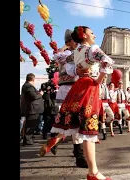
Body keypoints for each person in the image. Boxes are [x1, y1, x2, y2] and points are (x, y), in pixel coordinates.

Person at [39, 26, 113, 180]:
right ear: (84, 35)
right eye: (92, 32)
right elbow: (107, 61)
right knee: (88, 129)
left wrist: (78, 71)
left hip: (77, 86)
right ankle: (93, 172)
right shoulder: (92, 49)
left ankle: (58, 140)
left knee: (79, 125)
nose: (94, 34)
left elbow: (59, 58)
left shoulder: (77, 52)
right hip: (89, 88)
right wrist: (98, 80)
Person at [50, 29, 88, 168]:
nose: (77, 43)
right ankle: (79, 155)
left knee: (71, 121)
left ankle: (57, 141)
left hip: (73, 89)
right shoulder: (67, 54)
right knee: (72, 121)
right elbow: (68, 65)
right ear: (69, 42)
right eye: (75, 41)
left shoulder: (71, 52)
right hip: (68, 90)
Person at [20, 73, 44, 146]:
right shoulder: (28, 86)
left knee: (31, 125)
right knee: (30, 125)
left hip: (32, 109)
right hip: (32, 109)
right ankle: (28, 141)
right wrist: (40, 94)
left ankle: (29, 140)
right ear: (33, 79)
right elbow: (33, 96)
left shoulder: (27, 86)